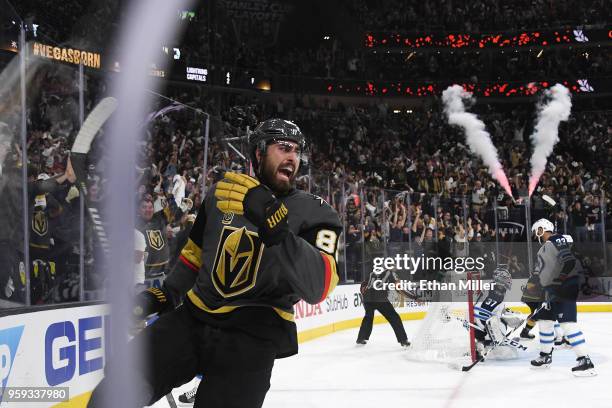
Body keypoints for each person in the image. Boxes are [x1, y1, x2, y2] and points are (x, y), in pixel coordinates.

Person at [88, 119, 342, 408]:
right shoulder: (223, 194)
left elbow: (319, 286)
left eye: (297, 151)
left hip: (255, 332)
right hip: (194, 316)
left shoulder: (317, 212)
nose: (292, 158)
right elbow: (195, 254)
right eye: (283, 147)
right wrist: (166, 294)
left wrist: (276, 226)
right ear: (258, 153)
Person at [529, 219, 596, 376]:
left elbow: (569, 261)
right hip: (551, 291)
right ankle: (545, 357)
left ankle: (585, 361)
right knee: (545, 322)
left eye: (537, 230)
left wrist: (559, 281)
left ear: (543, 228)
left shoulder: (556, 239)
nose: (535, 234)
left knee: (567, 324)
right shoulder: (544, 248)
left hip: (564, 289)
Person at [473, 265, 523, 360]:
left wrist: (511, 316)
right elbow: (478, 309)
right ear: (500, 278)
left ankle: (482, 345)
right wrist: (482, 326)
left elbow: (497, 311)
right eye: (506, 278)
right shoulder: (492, 290)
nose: (509, 280)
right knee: (500, 323)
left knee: (501, 323)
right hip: (480, 324)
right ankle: (482, 346)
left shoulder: (498, 291)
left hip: (483, 324)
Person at [356, 269, 410, 347]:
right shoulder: (391, 273)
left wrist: (363, 290)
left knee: (368, 317)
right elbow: (399, 288)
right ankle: (403, 340)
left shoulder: (373, 272)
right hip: (380, 300)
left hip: (368, 299)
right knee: (394, 317)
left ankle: (361, 338)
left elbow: (364, 284)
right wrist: (414, 298)